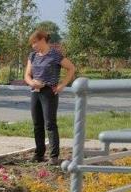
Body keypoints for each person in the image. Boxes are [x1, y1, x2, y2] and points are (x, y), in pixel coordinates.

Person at [24, 29, 76, 165]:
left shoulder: (55, 55)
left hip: (49, 93)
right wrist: (32, 83)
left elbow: (71, 68)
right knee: (37, 124)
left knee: (50, 124)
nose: (33, 46)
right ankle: (39, 154)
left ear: (42, 40)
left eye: (34, 42)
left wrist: (62, 85)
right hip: (35, 91)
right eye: (32, 43)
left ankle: (54, 157)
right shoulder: (33, 56)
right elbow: (27, 75)